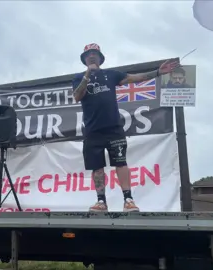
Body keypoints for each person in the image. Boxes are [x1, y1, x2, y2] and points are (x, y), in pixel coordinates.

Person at [72, 43, 180, 212]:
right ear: (84, 59)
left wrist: (158, 72)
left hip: (114, 128)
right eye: (88, 54)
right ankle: (101, 202)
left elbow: (135, 78)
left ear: (100, 58)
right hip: (92, 131)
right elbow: (77, 96)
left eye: (95, 53)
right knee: (97, 167)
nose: (92, 56)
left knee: (121, 163)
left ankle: (128, 200)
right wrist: (87, 75)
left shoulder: (111, 74)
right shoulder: (79, 77)